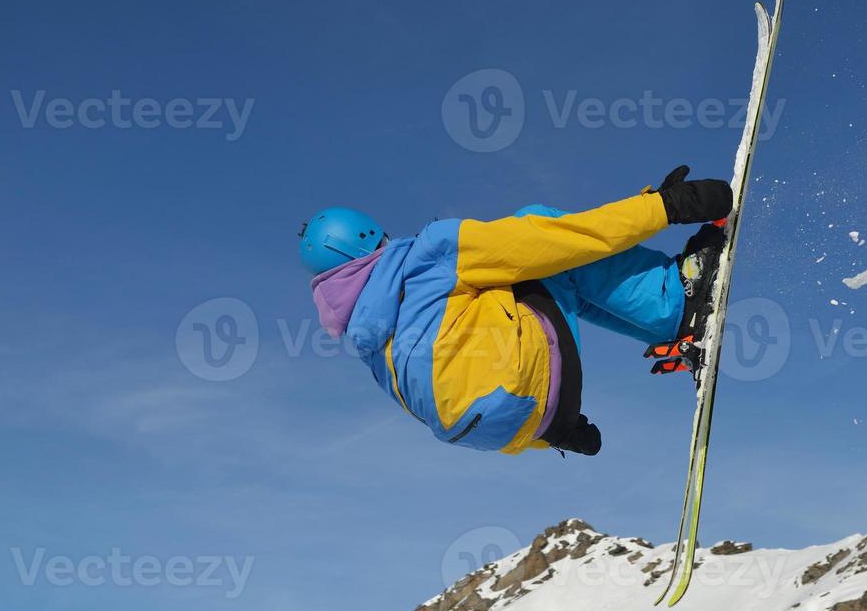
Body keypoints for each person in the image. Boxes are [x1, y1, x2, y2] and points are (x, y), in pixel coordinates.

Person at [301, 166, 732, 456]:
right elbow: (557, 238)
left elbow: (445, 403)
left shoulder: (371, 346)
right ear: (371, 239)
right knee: (540, 235)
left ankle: (671, 329)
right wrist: (666, 206)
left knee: (536, 285)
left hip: (511, 430)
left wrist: (555, 431)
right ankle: (675, 295)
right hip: (526, 378)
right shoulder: (427, 254)